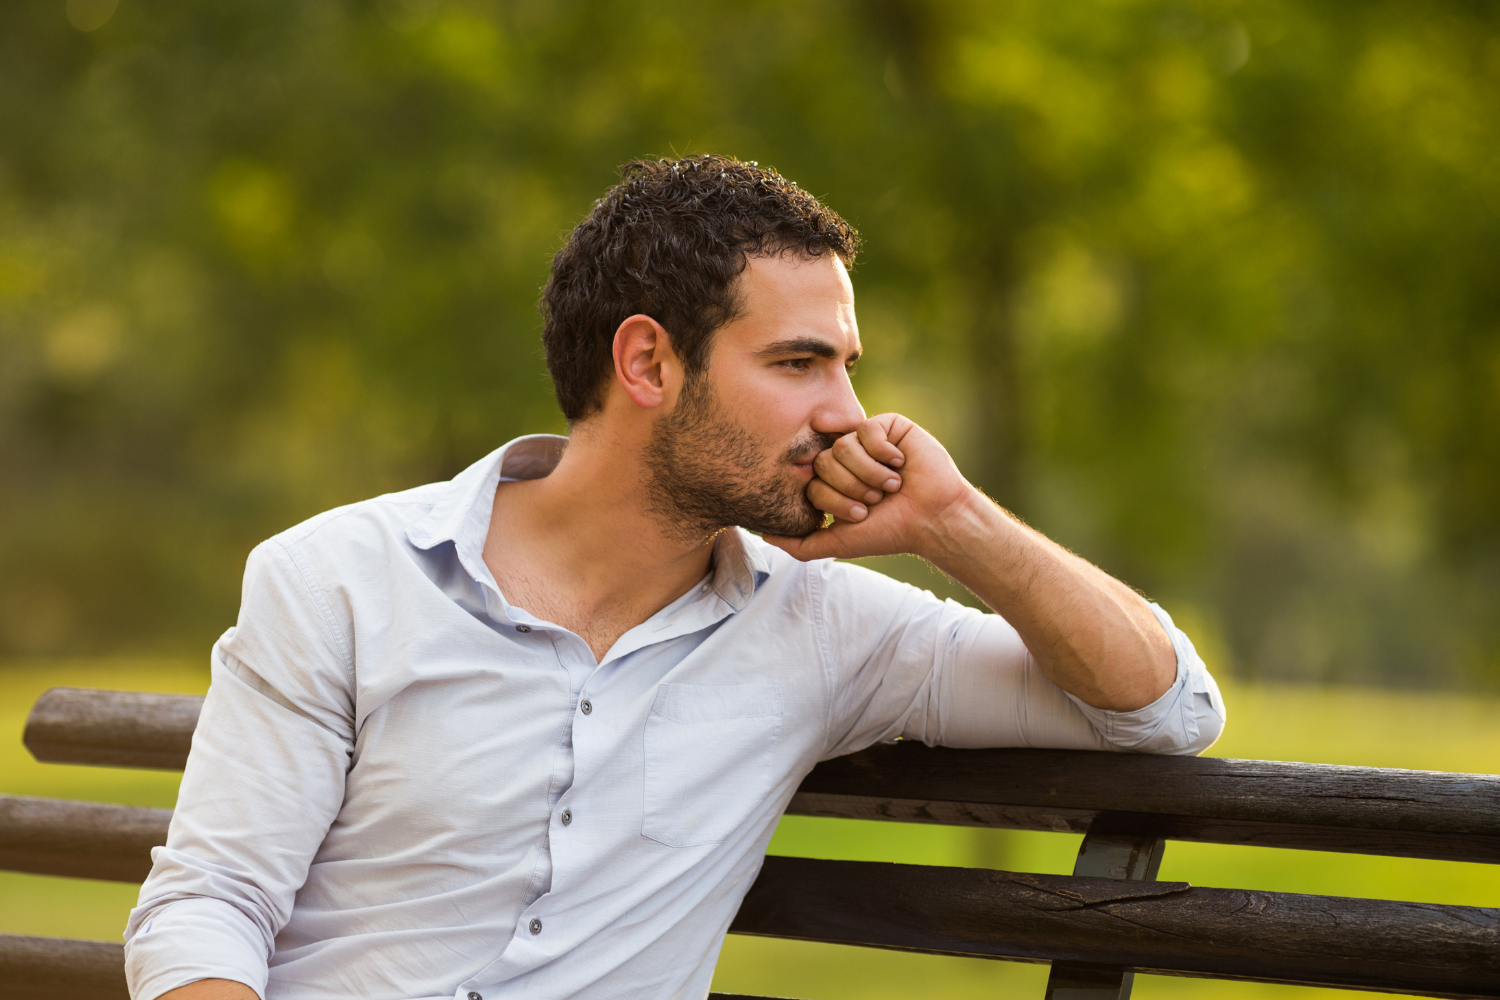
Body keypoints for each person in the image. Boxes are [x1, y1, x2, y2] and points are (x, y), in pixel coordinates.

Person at [124, 154, 1225, 1000]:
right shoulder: (341, 580)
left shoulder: (828, 627)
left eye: (848, 364)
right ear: (648, 362)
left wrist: (954, 522)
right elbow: (209, 904)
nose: (845, 410)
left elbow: (1164, 708)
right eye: (798, 362)